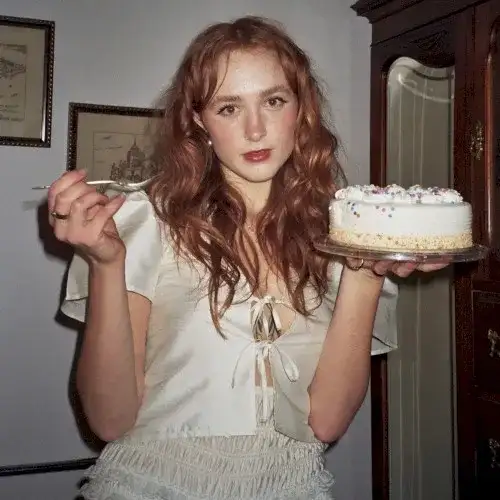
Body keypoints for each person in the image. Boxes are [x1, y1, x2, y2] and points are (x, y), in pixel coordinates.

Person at [48, 16, 447, 500]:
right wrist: (106, 265)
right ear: (199, 120)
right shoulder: (143, 223)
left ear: (301, 109)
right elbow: (109, 419)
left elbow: (327, 423)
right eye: (229, 107)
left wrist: (364, 274)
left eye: (273, 101)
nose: (255, 129)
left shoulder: (347, 234)